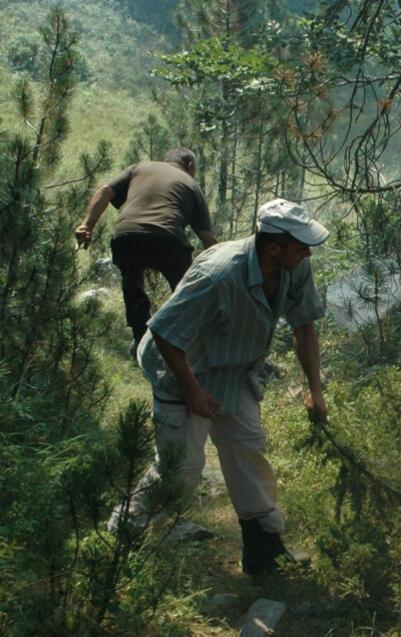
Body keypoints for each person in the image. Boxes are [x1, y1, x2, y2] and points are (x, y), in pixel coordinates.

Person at [113, 198, 329, 577]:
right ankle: (123, 534)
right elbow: (165, 332)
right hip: (180, 365)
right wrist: (193, 391)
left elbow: (304, 325)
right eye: (300, 246)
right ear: (273, 247)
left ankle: (264, 552)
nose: (308, 253)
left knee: (248, 449)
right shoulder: (220, 274)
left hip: (232, 368)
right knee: (181, 469)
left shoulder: (294, 266)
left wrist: (315, 389)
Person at [75, 147, 218, 347]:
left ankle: (140, 340)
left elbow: (104, 191)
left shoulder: (139, 168)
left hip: (127, 236)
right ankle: (181, 343)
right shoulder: (191, 184)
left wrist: (87, 225)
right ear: (190, 165)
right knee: (184, 292)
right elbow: (207, 238)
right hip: (168, 241)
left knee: (132, 287)